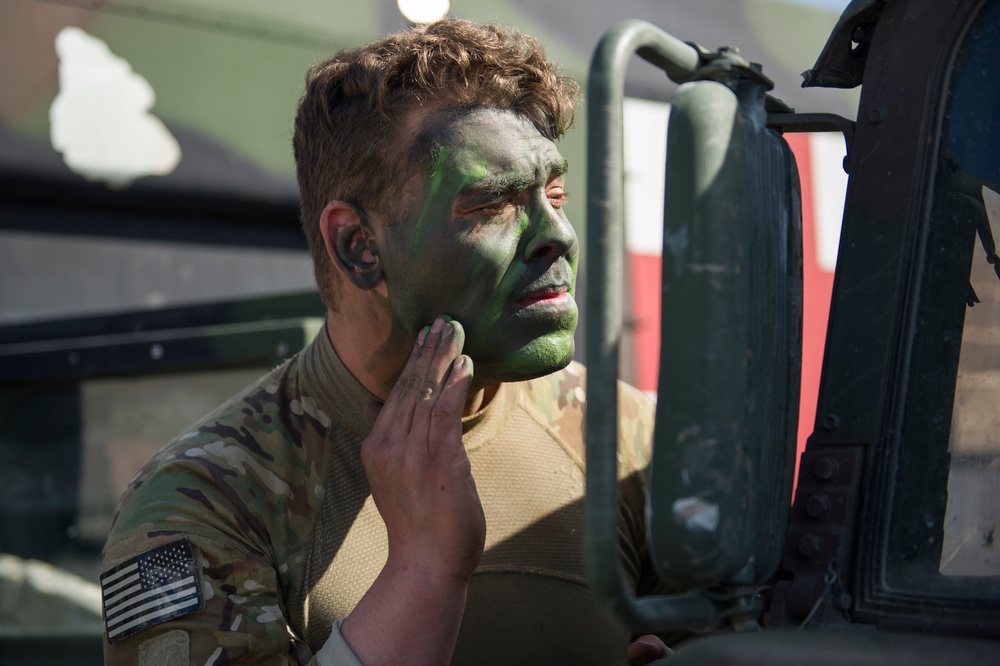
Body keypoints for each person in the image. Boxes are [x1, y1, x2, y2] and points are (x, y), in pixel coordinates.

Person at [101, 18, 670, 665]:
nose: (557, 235)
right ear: (358, 246)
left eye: (555, 193)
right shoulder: (204, 501)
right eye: (493, 204)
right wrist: (425, 569)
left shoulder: (622, 440)